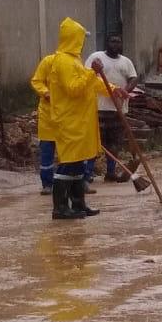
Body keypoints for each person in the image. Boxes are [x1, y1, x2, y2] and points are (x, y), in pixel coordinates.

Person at [49, 18, 112, 221]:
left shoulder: (74, 60)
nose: (83, 43)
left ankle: (78, 204)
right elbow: (74, 89)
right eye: (81, 39)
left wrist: (114, 91)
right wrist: (92, 72)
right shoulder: (63, 61)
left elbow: (90, 83)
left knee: (77, 165)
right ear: (73, 38)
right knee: (68, 164)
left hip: (79, 121)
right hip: (69, 121)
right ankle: (60, 207)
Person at [84, 34, 138, 185]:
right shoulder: (96, 57)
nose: (115, 44)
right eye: (112, 41)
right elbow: (87, 75)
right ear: (106, 43)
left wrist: (125, 91)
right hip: (99, 107)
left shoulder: (126, 61)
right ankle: (87, 173)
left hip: (118, 109)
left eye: (118, 42)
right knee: (94, 142)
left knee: (114, 142)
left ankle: (111, 172)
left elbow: (133, 78)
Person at [30, 52, 57, 194]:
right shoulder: (48, 62)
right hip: (48, 115)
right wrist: (45, 92)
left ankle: (70, 183)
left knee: (70, 154)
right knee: (47, 150)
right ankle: (47, 183)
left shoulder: (75, 63)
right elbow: (37, 81)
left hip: (67, 116)